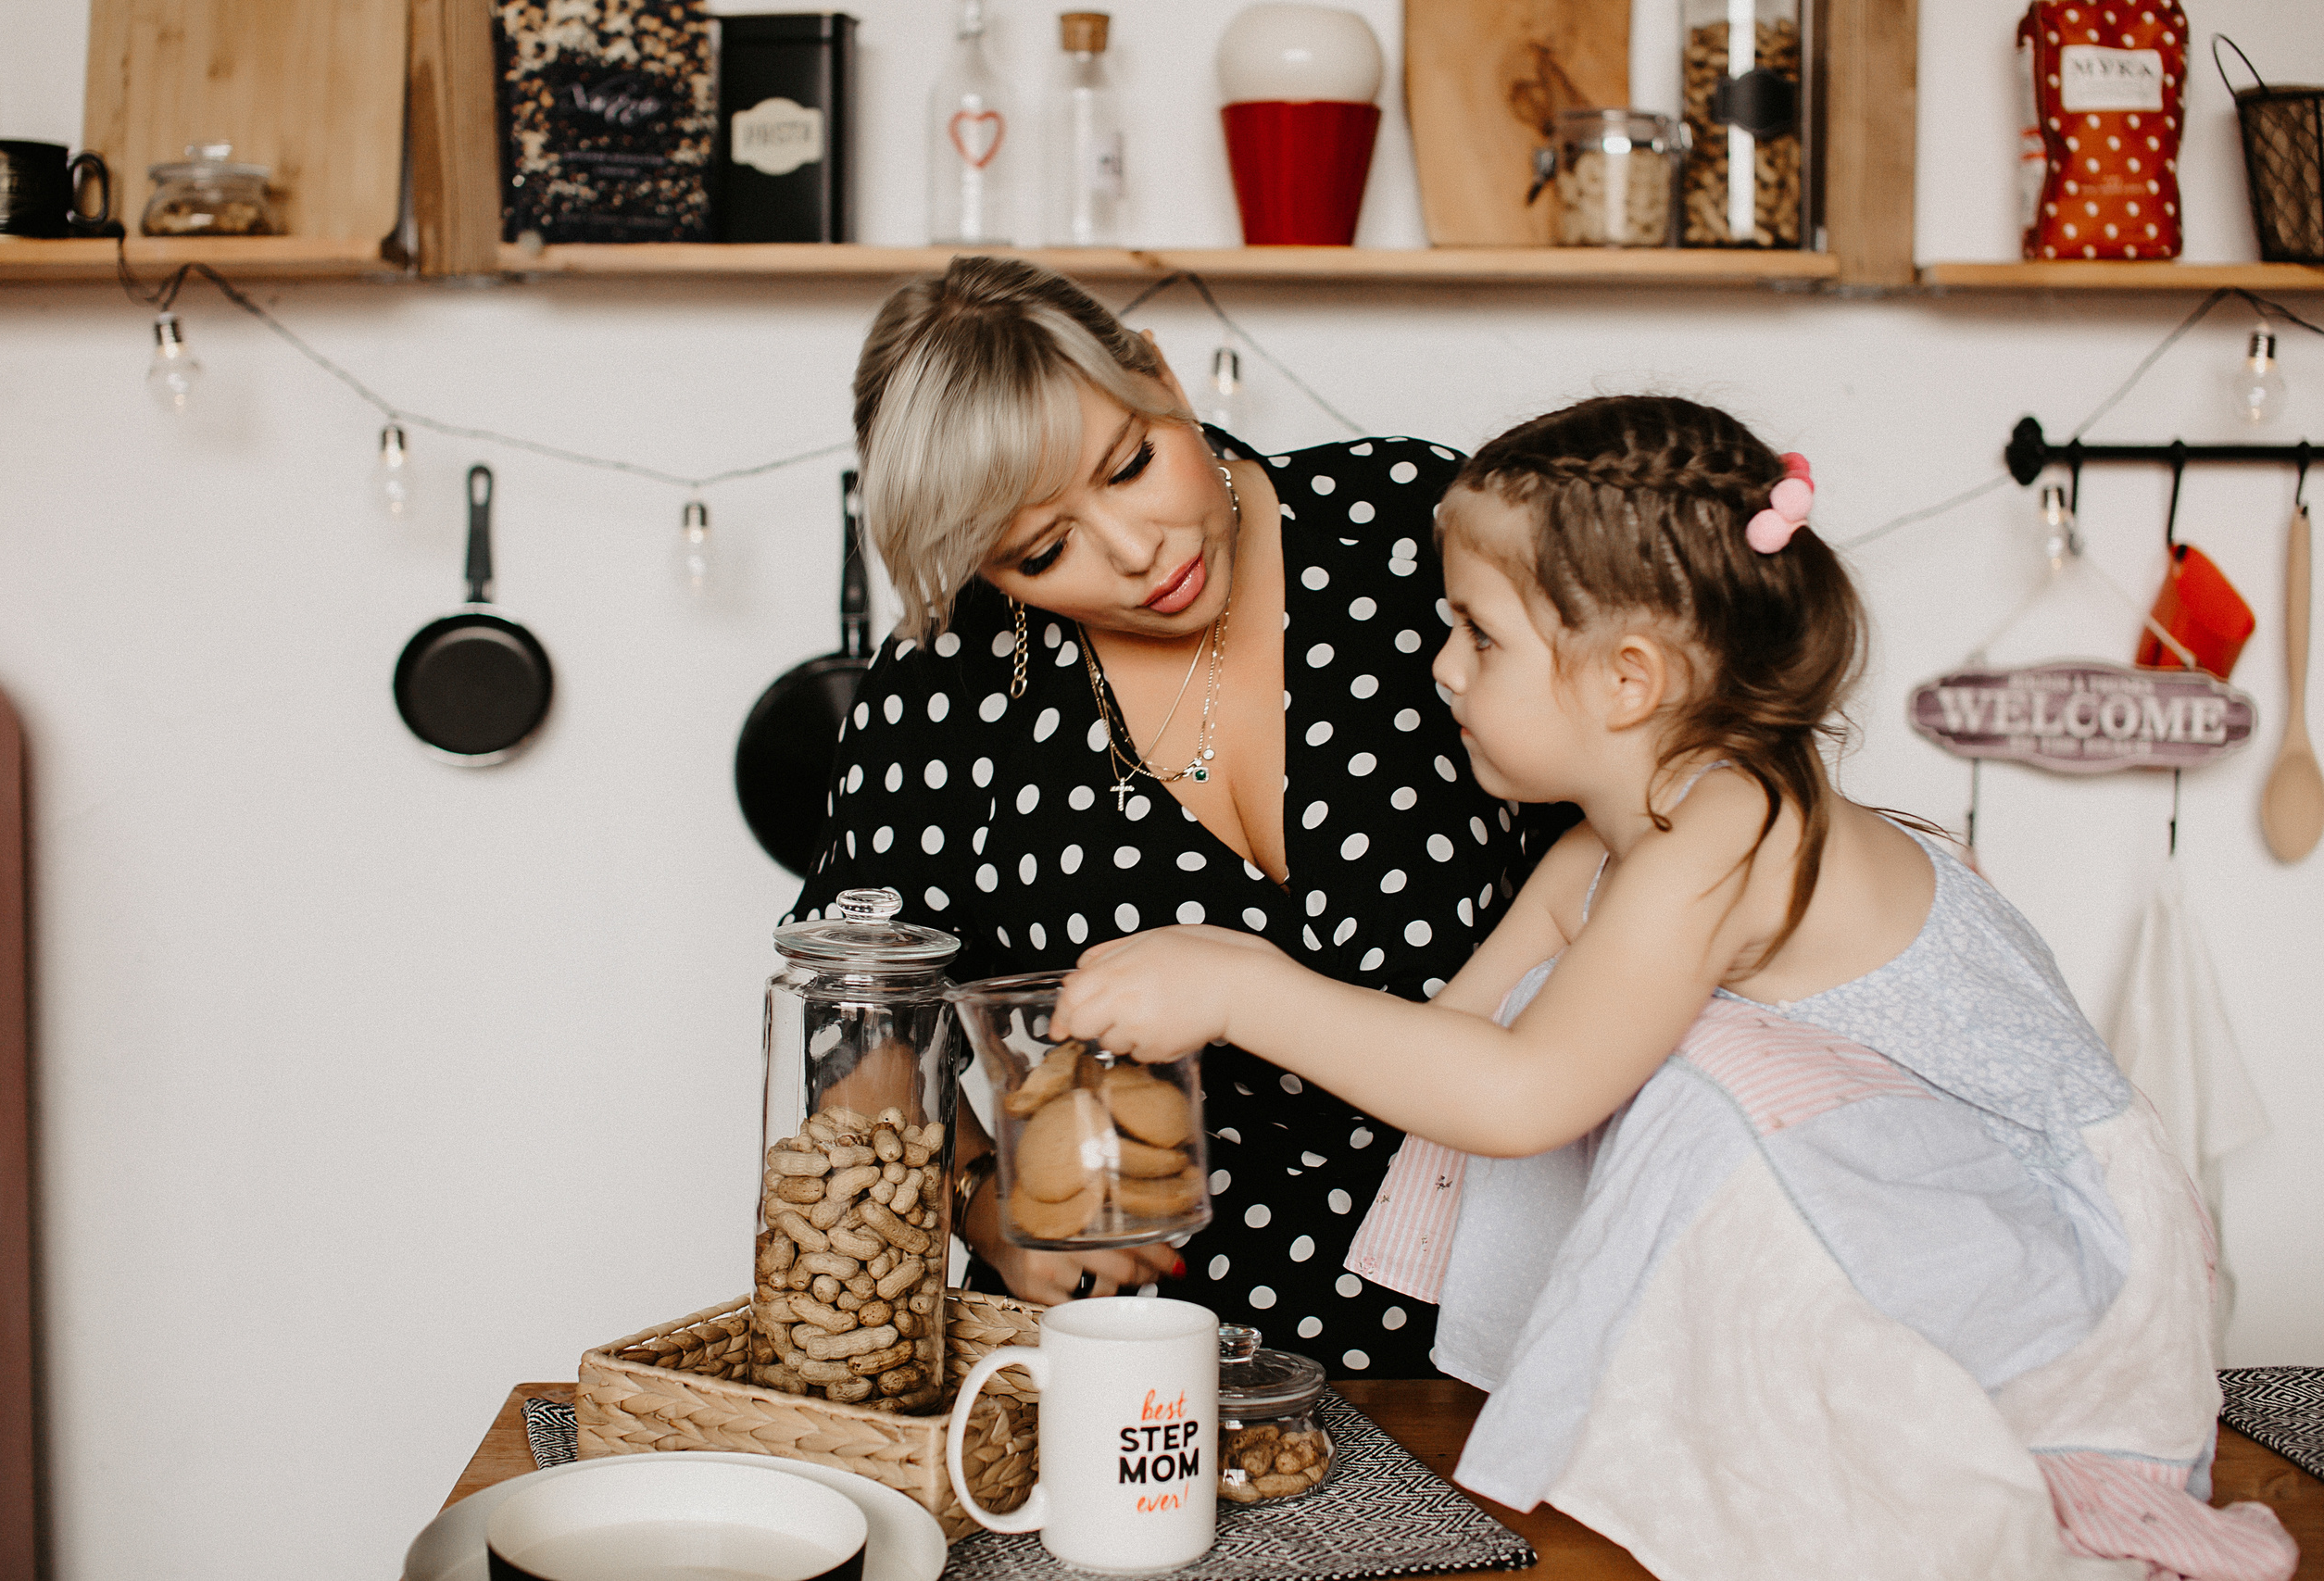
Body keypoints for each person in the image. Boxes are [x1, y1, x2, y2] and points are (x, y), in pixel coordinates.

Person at [1060, 396, 2293, 1579]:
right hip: (1913, 1237)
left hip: (2051, 1278)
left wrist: (1246, 985)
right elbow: (1446, 1054)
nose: (1439, 667)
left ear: (1628, 679)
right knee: (1629, 1046)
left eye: (1479, 635)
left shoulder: (1735, 821)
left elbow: (1524, 1094)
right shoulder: (1600, 852)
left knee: (1694, 1081)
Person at [783, 256, 1576, 1374]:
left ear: (1157, 372)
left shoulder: (1415, 529)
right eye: (1042, 551)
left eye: (1132, 465)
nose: (1134, 551)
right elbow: (859, 1016)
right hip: (1141, 1341)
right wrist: (981, 1206)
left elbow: (1635, 807)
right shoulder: (944, 686)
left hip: (1510, 1295)